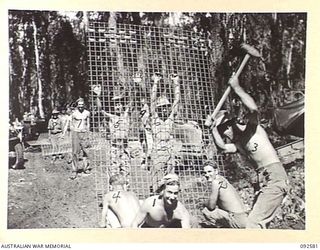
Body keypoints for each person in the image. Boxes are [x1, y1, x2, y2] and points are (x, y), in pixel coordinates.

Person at [208, 75, 290, 229]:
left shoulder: (252, 129)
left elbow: (253, 109)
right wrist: (212, 130)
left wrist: (237, 87)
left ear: (231, 123)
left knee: (253, 224)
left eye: (224, 128)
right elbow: (223, 148)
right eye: (221, 131)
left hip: (275, 178)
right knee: (258, 224)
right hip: (262, 181)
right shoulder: (239, 144)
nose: (224, 134)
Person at [149, 73, 180, 192]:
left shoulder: (170, 119)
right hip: (157, 151)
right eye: (161, 107)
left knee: (170, 180)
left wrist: (176, 83)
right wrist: (156, 82)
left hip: (169, 151)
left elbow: (176, 101)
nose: (164, 109)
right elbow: (152, 101)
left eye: (166, 106)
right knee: (157, 182)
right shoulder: (155, 118)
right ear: (158, 109)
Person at [94, 85, 132, 176]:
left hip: (125, 147)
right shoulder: (111, 117)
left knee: (126, 171)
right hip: (114, 147)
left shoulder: (126, 116)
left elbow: (131, 103)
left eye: (119, 104)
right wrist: (98, 96)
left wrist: (135, 85)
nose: (118, 107)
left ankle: (126, 188)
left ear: (123, 105)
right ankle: (113, 189)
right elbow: (100, 110)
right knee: (114, 171)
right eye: (115, 105)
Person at [201, 161, 248, 228]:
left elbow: (211, 207)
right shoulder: (223, 179)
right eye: (205, 173)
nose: (207, 175)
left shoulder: (215, 182)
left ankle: (225, 229)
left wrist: (205, 203)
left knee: (206, 211)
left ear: (216, 171)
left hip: (238, 220)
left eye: (209, 171)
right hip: (245, 217)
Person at [62, 98, 91, 180]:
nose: (81, 107)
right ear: (77, 105)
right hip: (76, 133)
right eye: (79, 105)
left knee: (86, 151)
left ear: (84, 105)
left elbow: (88, 123)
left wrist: (87, 132)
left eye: (82, 105)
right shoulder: (74, 113)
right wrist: (65, 132)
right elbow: (69, 123)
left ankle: (86, 168)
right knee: (75, 152)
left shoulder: (87, 113)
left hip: (84, 133)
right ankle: (74, 170)